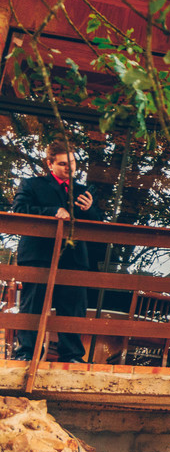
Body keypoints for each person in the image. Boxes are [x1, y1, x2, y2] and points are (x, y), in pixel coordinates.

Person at [12, 141, 102, 363]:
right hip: (38, 254)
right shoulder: (32, 185)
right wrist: (52, 211)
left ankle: (72, 355)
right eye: (63, 163)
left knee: (73, 308)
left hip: (74, 257)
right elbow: (19, 210)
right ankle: (26, 353)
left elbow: (98, 225)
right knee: (32, 306)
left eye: (72, 162)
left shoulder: (84, 191)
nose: (69, 168)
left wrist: (90, 211)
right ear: (50, 164)